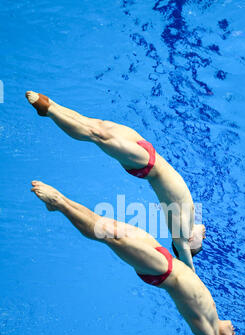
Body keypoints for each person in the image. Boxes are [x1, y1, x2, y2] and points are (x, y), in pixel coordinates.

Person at [30, 180, 245, 335]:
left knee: (108, 237)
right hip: (161, 255)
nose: (235, 333)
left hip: (161, 270)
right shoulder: (214, 319)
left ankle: (59, 202)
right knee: (104, 226)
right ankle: (60, 204)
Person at [25, 91, 205, 271]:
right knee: (97, 125)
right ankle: (53, 105)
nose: (204, 237)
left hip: (146, 164)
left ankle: (49, 111)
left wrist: (189, 265)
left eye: (200, 243)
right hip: (147, 149)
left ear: (190, 242)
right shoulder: (191, 215)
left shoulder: (181, 232)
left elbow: (185, 262)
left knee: (97, 135)